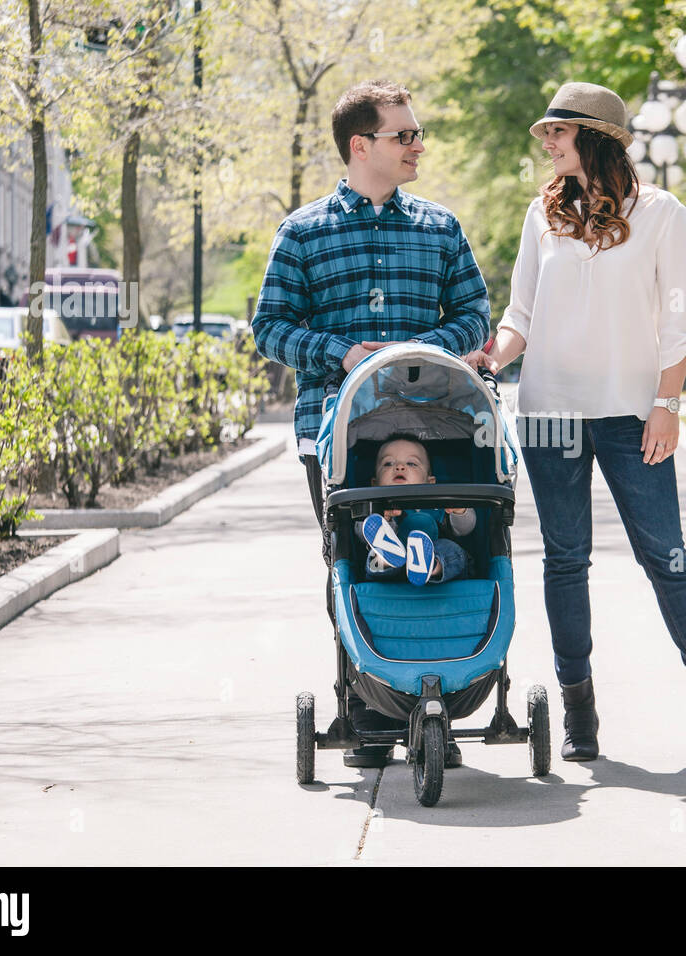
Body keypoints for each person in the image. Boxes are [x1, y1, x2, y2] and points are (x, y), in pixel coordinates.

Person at [465, 81, 686, 762]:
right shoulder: (542, 215)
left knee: (667, 558)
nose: (547, 142)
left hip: (633, 414)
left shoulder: (661, 213)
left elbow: (679, 322)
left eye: (558, 132)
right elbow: (522, 316)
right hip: (550, 414)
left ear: (594, 136)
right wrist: (492, 356)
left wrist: (668, 404)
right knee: (566, 561)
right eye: (546, 133)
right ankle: (580, 712)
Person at [252, 79, 490, 769]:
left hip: (439, 423)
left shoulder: (441, 228)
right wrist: (342, 353)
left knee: (457, 543)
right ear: (362, 146)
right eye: (404, 134)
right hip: (335, 430)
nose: (419, 144)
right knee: (352, 560)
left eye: (416, 133)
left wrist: (421, 355)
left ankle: (435, 697)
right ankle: (365, 709)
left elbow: (475, 313)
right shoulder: (302, 232)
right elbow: (269, 329)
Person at [360, 435, 475, 587]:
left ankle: (430, 565)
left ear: (430, 482)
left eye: (411, 463)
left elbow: (464, 529)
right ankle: (387, 557)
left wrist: (459, 511)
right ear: (374, 483)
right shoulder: (377, 507)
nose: (399, 467)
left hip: (437, 556)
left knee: (452, 550)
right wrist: (384, 520)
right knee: (375, 552)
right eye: (388, 463)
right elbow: (361, 531)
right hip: (391, 571)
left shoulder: (439, 504)